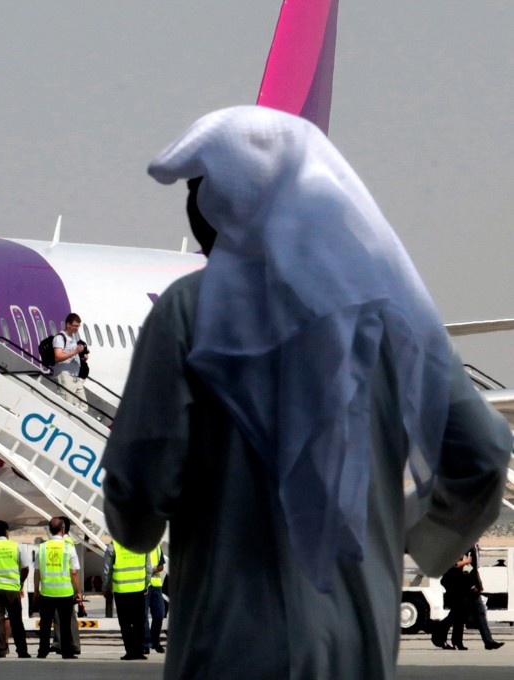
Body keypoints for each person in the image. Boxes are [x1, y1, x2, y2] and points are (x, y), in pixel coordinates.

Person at [100, 106, 511, 679]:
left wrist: (135, 527)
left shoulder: (189, 311)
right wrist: (421, 538)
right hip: (357, 644)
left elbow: (142, 480)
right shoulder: (389, 315)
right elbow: (485, 452)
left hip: (229, 645)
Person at [34, 516, 82, 659]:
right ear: (63, 529)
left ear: (50, 530)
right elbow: (74, 572)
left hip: (47, 592)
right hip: (65, 592)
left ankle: (42, 651)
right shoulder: (69, 547)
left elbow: (37, 572)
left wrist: (36, 591)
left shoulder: (42, 548)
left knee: (45, 624)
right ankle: (66, 651)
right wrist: (78, 591)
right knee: (65, 624)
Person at [0, 520, 31, 658]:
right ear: (7, 532)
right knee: (16, 621)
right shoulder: (16, 546)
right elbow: (25, 568)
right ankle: (22, 651)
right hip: (12, 589)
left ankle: (1, 650)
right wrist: (20, 583)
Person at [102, 538, 148, 660]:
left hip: (121, 590)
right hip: (138, 589)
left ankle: (130, 652)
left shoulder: (114, 546)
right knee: (139, 622)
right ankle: (139, 651)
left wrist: (106, 587)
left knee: (125, 624)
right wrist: (146, 585)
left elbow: (107, 570)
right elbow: (148, 568)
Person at [52, 313, 87, 412]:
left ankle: (76, 424)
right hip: (65, 377)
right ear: (68, 324)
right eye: (75, 326)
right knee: (66, 406)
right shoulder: (59, 338)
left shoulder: (72, 338)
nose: (77, 328)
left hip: (75, 377)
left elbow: (71, 354)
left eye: (78, 326)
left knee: (83, 405)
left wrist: (82, 357)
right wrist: (75, 351)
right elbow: (58, 356)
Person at [143, 543, 166, 655]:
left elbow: (161, 566)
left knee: (159, 614)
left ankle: (155, 641)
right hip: (143, 585)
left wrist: (153, 570)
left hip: (156, 585)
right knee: (144, 615)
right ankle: (146, 644)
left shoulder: (156, 546)